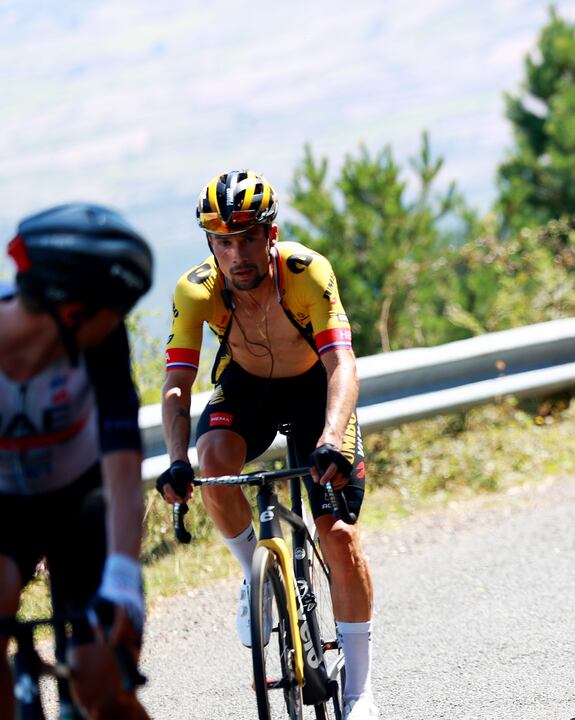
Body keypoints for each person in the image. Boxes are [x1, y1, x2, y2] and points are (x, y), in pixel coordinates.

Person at [155, 171, 378, 719]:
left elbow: (341, 363)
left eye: (248, 237)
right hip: (247, 387)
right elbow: (178, 385)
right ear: (211, 244)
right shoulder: (196, 290)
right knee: (211, 461)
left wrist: (330, 438)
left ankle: (360, 690)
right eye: (223, 242)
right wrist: (177, 459)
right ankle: (250, 569)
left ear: (270, 234)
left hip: (313, 390)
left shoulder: (306, 272)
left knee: (340, 537)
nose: (237, 254)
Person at [0, 203, 153, 719]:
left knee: (99, 688)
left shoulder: (101, 341)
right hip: (6, 507)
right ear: (73, 311)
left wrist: (123, 580)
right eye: (119, 309)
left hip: (84, 503)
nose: (121, 323)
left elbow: (123, 462)